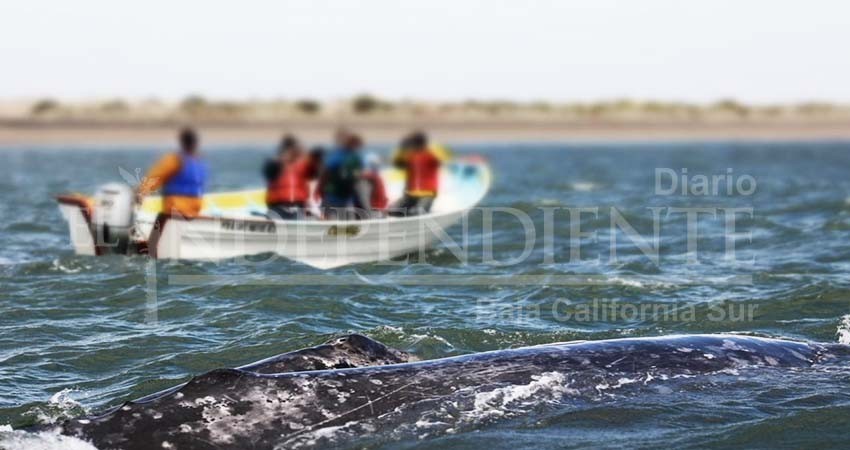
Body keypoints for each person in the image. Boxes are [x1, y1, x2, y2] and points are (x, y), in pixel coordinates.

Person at [136, 127, 207, 218]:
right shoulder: (199, 162)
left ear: (181, 143)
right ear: (195, 143)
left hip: (175, 211)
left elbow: (155, 177)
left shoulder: (175, 160)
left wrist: (140, 193)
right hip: (194, 211)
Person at [266, 142, 324, 219]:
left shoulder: (304, 165)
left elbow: (316, 168)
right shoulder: (276, 166)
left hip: (293, 204)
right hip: (280, 204)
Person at [390, 131, 441, 216]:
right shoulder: (410, 156)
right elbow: (398, 164)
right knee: (394, 211)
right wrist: (402, 148)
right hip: (411, 194)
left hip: (427, 193)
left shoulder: (430, 155)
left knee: (419, 212)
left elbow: (438, 162)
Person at [318, 133, 364, 219]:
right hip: (335, 193)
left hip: (345, 195)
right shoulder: (341, 156)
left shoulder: (353, 157)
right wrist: (321, 187)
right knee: (330, 216)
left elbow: (325, 171)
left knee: (335, 217)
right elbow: (326, 171)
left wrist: (320, 187)